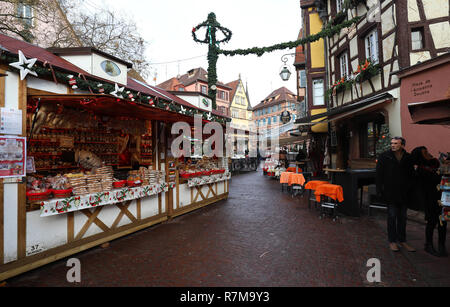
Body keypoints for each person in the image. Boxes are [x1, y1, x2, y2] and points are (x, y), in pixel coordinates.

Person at [376, 137, 416, 252]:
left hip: (404, 193)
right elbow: (379, 174)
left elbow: (411, 174)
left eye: (395, 143)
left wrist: (410, 188)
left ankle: (402, 240)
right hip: (390, 192)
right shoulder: (385, 156)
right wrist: (380, 190)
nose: (392, 145)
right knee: (392, 216)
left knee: (403, 217)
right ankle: (392, 241)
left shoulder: (408, 157)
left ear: (402, 145)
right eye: (392, 143)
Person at [411, 146, 447, 257]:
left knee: (443, 222)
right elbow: (433, 181)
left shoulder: (435, 163)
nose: (428, 153)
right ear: (421, 156)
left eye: (427, 151)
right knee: (431, 222)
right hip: (430, 199)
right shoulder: (421, 170)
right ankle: (428, 244)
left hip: (442, 197)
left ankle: (442, 245)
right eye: (425, 153)